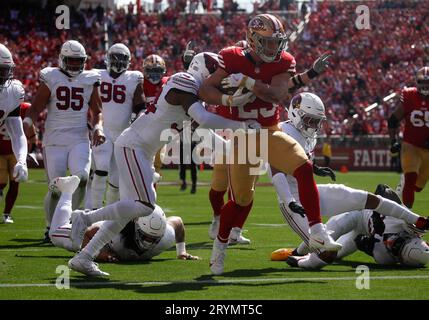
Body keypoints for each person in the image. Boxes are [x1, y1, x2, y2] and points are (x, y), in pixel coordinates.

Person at [67, 52, 258, 277]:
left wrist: (229, 148)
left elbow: (199, 130)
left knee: (129, 211)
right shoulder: (184, 81)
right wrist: (242, 126)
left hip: (143, 151)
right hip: (134, 145)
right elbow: (204, 119)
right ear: (204, 69)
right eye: (216, 74)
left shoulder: (194, 93)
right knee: (145, 205)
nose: (218, 79)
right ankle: (85, 217)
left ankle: (84, 257)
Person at [199, 14, 336, 275]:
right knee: (240, 200)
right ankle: (220, 247)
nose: (275, 48)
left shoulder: (284, 62)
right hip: (242, 137)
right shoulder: (232, 57)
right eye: (268, 42)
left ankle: (317, 231)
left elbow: (277, 95)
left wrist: (248, 82)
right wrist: (229, 101)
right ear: (253, 39)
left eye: (277, 42)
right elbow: (206, 90)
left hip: (269, 131)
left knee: (303, 167)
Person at [269, 92, 429, 269]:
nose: (314, 125)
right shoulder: (283, 131)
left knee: (367, 198)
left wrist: (315, 168)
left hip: (311, 191)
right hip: (292, 199)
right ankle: (302, 261)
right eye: (310, 120)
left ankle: (416, 218)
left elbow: (298, 161)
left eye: (316, 120)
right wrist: (289, 200)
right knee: (326, 253)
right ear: (295, 113)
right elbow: (276, 171)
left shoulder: (306, 135)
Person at [24, 40, 105, 242]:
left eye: (79, 61)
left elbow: (97, 111)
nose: (76, 65)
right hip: (55, 139)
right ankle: (50, 227)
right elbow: (35, 107)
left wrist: (98, 127)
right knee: (56, 187)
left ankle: (68, 221)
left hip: (78, 137)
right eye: (71, 61)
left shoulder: (89, 78)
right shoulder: (51, 77)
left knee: (82, 178)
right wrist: (27, 122)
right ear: (62, 59)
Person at [49, 176, 199, 262]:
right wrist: (101, 254)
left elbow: (178, 222)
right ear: (135, 227)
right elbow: (87, 234)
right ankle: (67, 190)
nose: (148, 242)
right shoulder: (116, 233)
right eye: (145, 236)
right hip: (99, 233)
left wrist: (181, 251)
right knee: (55, 234)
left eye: (154, 239)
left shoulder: (166, 236)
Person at [278, 184, 429, 269]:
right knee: (327, 233)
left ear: (401, 259)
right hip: (357, 213)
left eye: (396, 248)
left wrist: (370, 241)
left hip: (359, 231)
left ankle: (307, 261)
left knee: (332, 255)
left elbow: (359, 240)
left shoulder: (385, 258)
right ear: (411, 237)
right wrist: (376, 217)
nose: (391, 243)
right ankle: (298, 252)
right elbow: (383, 189)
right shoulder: (409, 224)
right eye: (399, 242)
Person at [91, 43, 144, 209]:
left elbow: (139, 105)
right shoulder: (95, 75)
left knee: (115, 181)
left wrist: (139, 117)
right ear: (108, 57)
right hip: (103, 130)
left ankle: (107, 215)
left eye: (123, 58)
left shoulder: (133, 77)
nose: (120, 61)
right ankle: (93, 209)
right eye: (116, 57)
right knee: (101, 169)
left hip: (122, 133)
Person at [389, 66, 429, 208]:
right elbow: (393, 120)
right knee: (411, 179)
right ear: (417, 82)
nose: (425, 86)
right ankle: (407, 219)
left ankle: (405, 181)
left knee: (418, 187)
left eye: (428, 83)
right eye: (422, 82)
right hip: (410, 144)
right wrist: (393, 141)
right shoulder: (409, 95)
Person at [0, 44, 29, 223]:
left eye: (5, 71)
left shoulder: (12, 92)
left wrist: (21, 159)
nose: (4, 76)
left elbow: (17, 132)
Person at [0, 102, 36, 223]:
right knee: (2, 183)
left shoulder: (24, 108)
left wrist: (32, 150)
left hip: (15, 152)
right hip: (0, 152)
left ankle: (7, 214)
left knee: (15, 182)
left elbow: (30, 130)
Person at [142, 54, 168, 179]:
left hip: (160, 130)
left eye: (157, 71)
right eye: (151, 70)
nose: (154, 74)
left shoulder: (168, 82)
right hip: (141, 129)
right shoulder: (139, 82)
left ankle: (151, 197)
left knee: (156, 166)